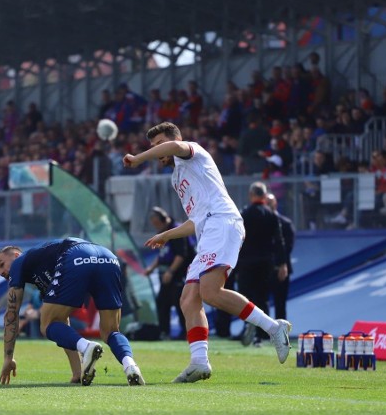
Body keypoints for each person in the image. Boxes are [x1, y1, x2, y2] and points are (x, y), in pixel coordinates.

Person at [122, 121, 292, 383]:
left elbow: (176, 146)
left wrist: (139, 158)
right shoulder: (177, 176)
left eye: (158, 145)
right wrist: (166, 235)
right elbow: (195, 221)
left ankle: (273, 327)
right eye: (153, 147)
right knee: (189, 299)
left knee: (210, 292)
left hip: (222, 223)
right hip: (208, 230)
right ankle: (199, 362)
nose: (157, 151)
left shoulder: (194, 152)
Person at [0, 238, 145, 386]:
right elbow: (62, 322)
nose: (0, 272)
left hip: (76, 254)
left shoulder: (20, 262)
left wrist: (8, 358)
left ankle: (86, 347)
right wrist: (77, 373)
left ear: (16, 256)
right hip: (108, 257)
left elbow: (12, 314)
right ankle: (130, 366)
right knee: (110, 331)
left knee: (46, 325)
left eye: (1, 264)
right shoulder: (43, 268)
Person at [235, 182, 289, 347]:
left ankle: (248, 324)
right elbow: (279, 241)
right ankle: (261, 334)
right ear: (264, 196)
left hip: (245, 261)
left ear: (251, 195)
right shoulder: (271, 215)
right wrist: (282, 263)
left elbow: (236, 237)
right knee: (262, 297)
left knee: (245, 297)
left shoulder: (244, 213)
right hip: (265, 262)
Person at [143, 207, 194, 340]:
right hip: (167, 272)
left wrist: (171, 271)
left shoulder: (176, 231)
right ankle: (164, 332)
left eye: (156, 223)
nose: (156, 227)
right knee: (162, 302)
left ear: (163, 219)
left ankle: (186, 332)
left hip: (179, 273)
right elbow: (161, 255)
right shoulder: (163, 232)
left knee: (180, 302)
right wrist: (151, 268)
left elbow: (181, 255)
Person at [267, 192, 294, 325]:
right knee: (261, 302)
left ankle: (281, 331)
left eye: (270, 202)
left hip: (280, 269)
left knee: (280, 303)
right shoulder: (260, 225)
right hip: (264, 269)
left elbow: (288, 247)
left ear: (275, 204)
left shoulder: (286, 224)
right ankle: (262, 333)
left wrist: (280, 264)